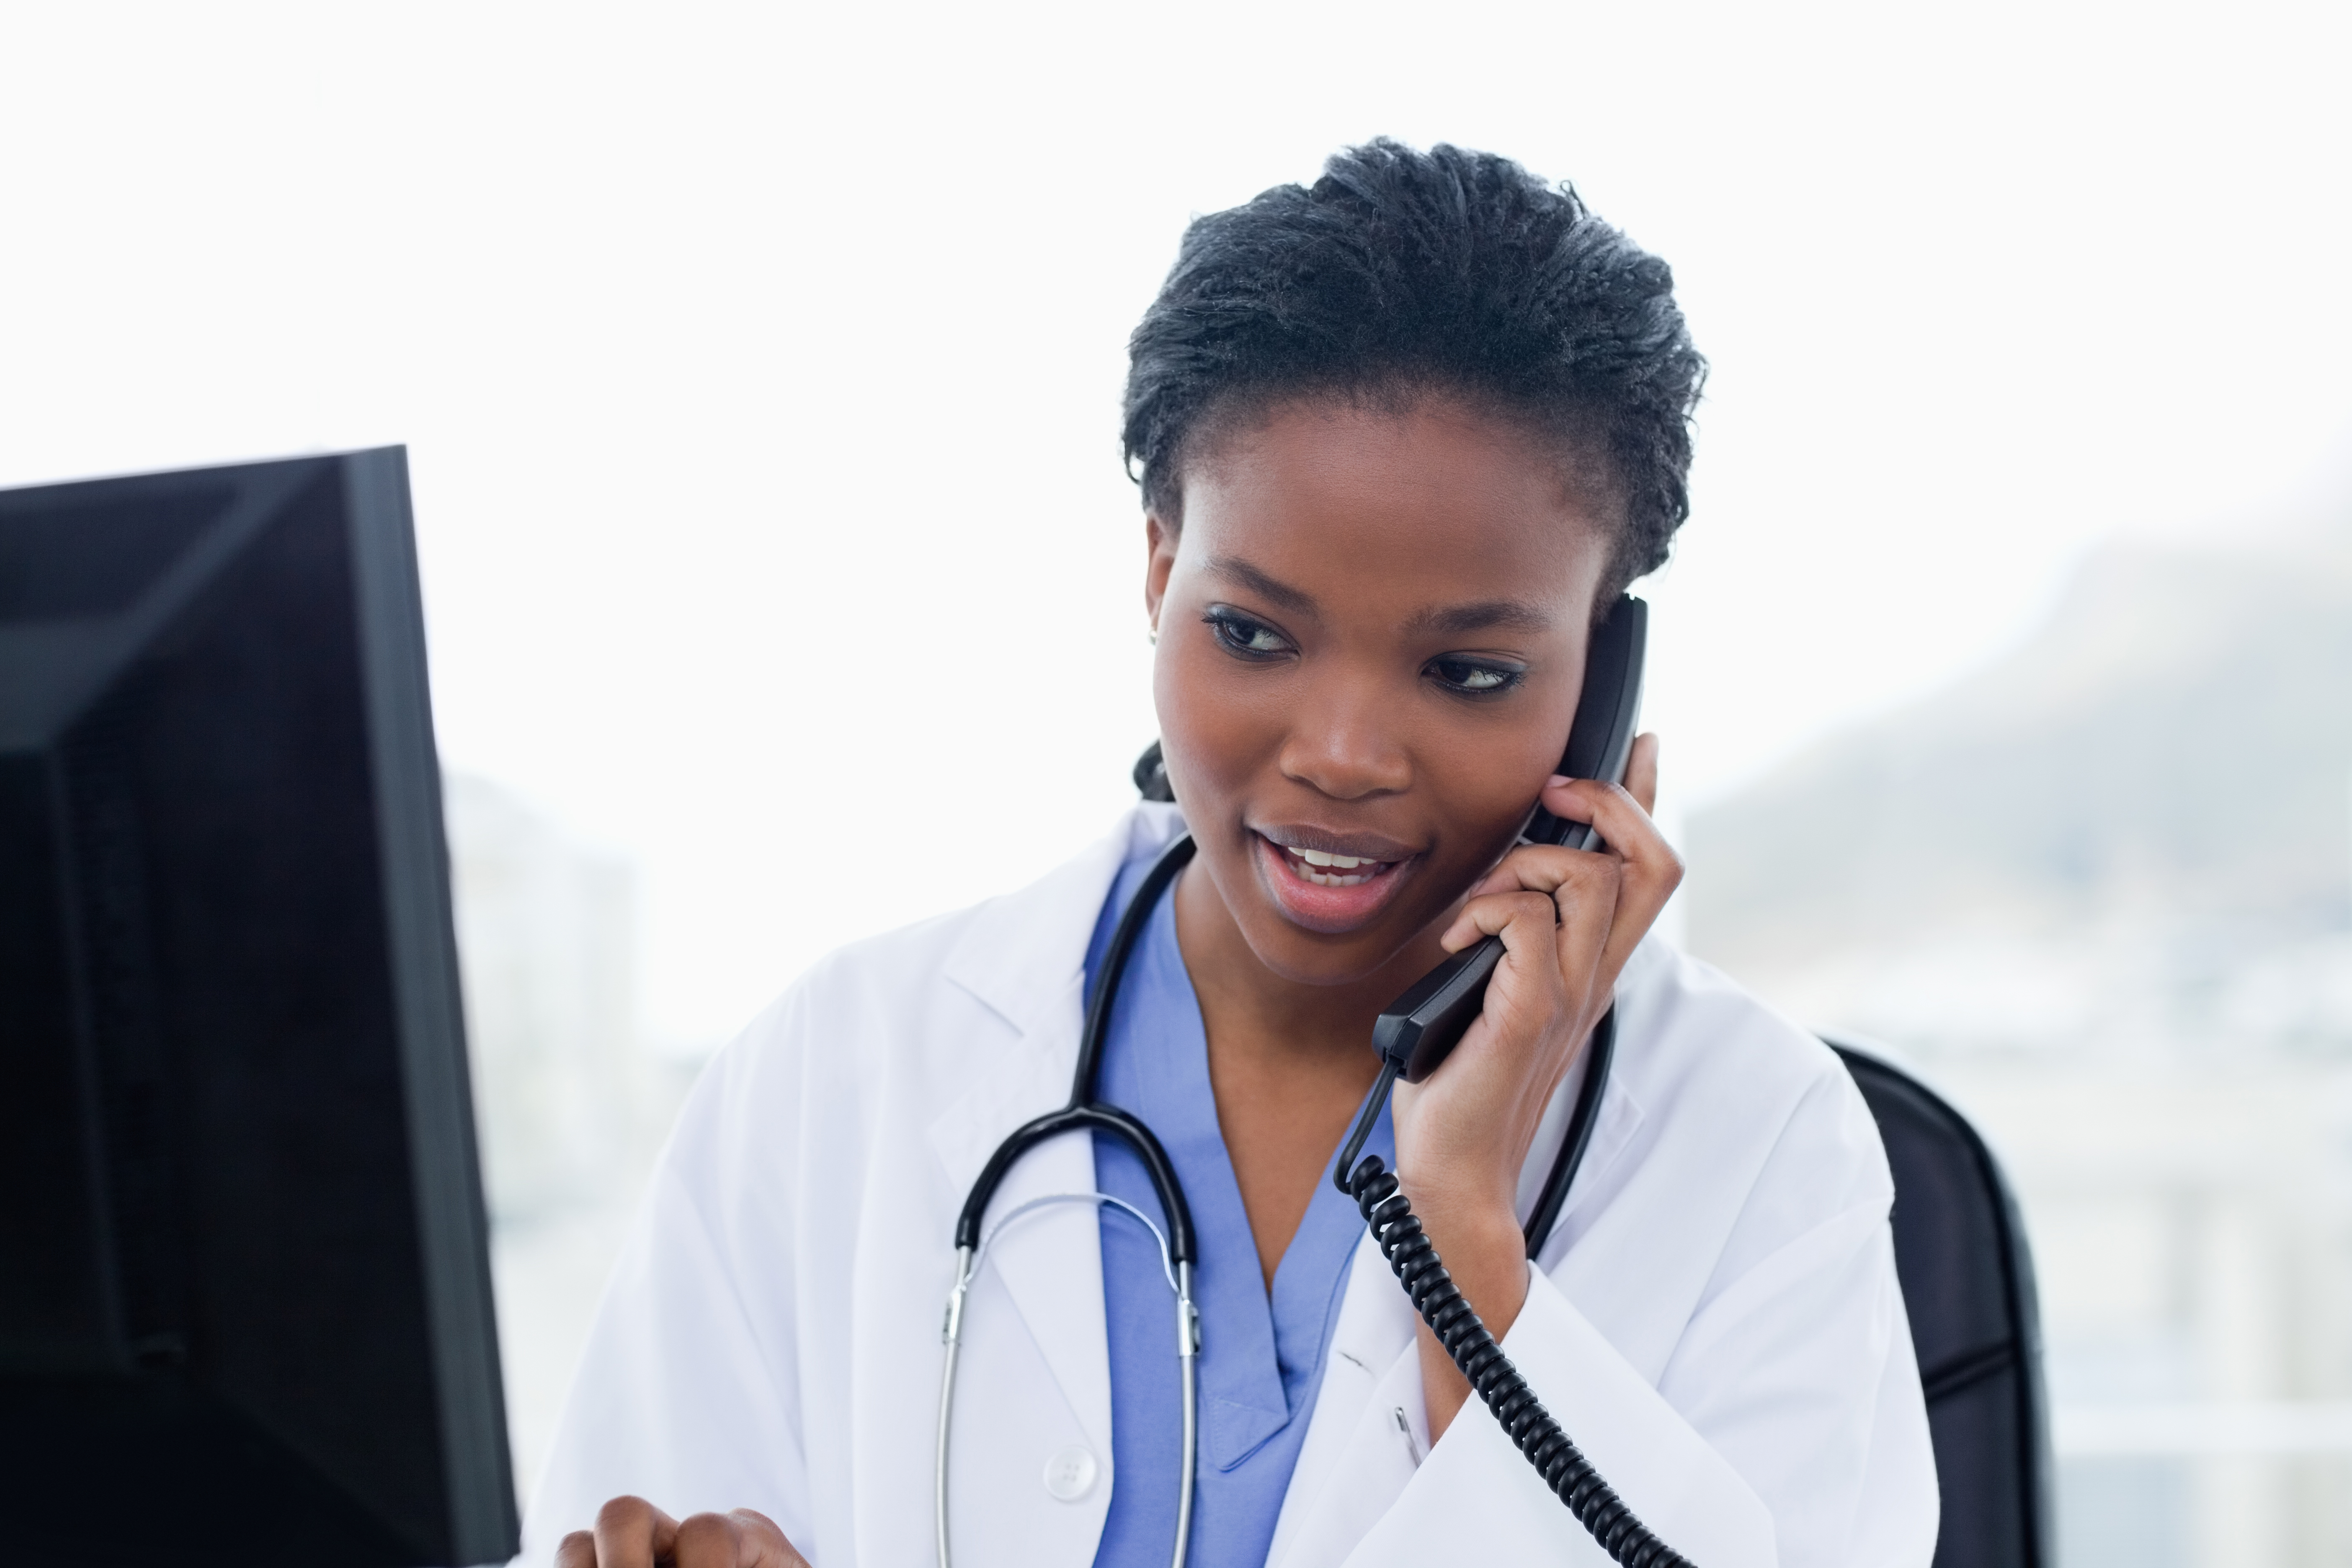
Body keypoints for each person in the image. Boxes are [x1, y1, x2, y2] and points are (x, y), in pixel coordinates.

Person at [531, 140, 1937, 1568]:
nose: (1342, 754)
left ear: (1601, 675)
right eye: (1253, 634)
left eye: (1468, 673)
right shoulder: (846, 1070)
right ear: (1159, 571)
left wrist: (1463, 1232)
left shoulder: (1760, 1145)